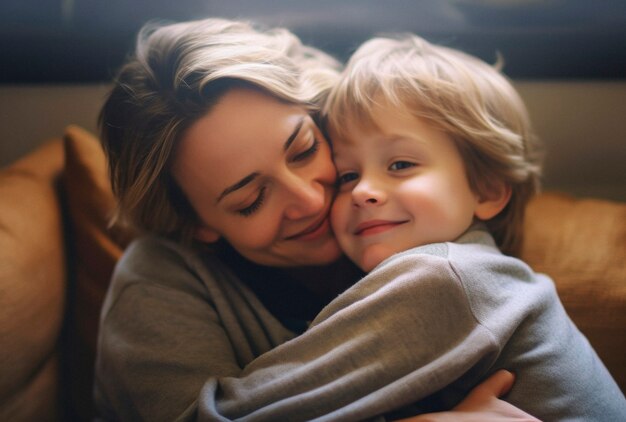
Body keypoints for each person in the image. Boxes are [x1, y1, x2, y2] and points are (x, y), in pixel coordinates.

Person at [94, 17, 541, 421]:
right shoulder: (157, 284)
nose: (309, 200)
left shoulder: (420, 244)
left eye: (304, 149)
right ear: (195, 223)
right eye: (251, 199)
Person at [318, 34, 626, 420]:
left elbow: (241, 411)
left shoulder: (441, 276)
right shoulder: (483, 276)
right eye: (347, 175)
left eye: (400, 165)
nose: (363, 191)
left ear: (486, 189)